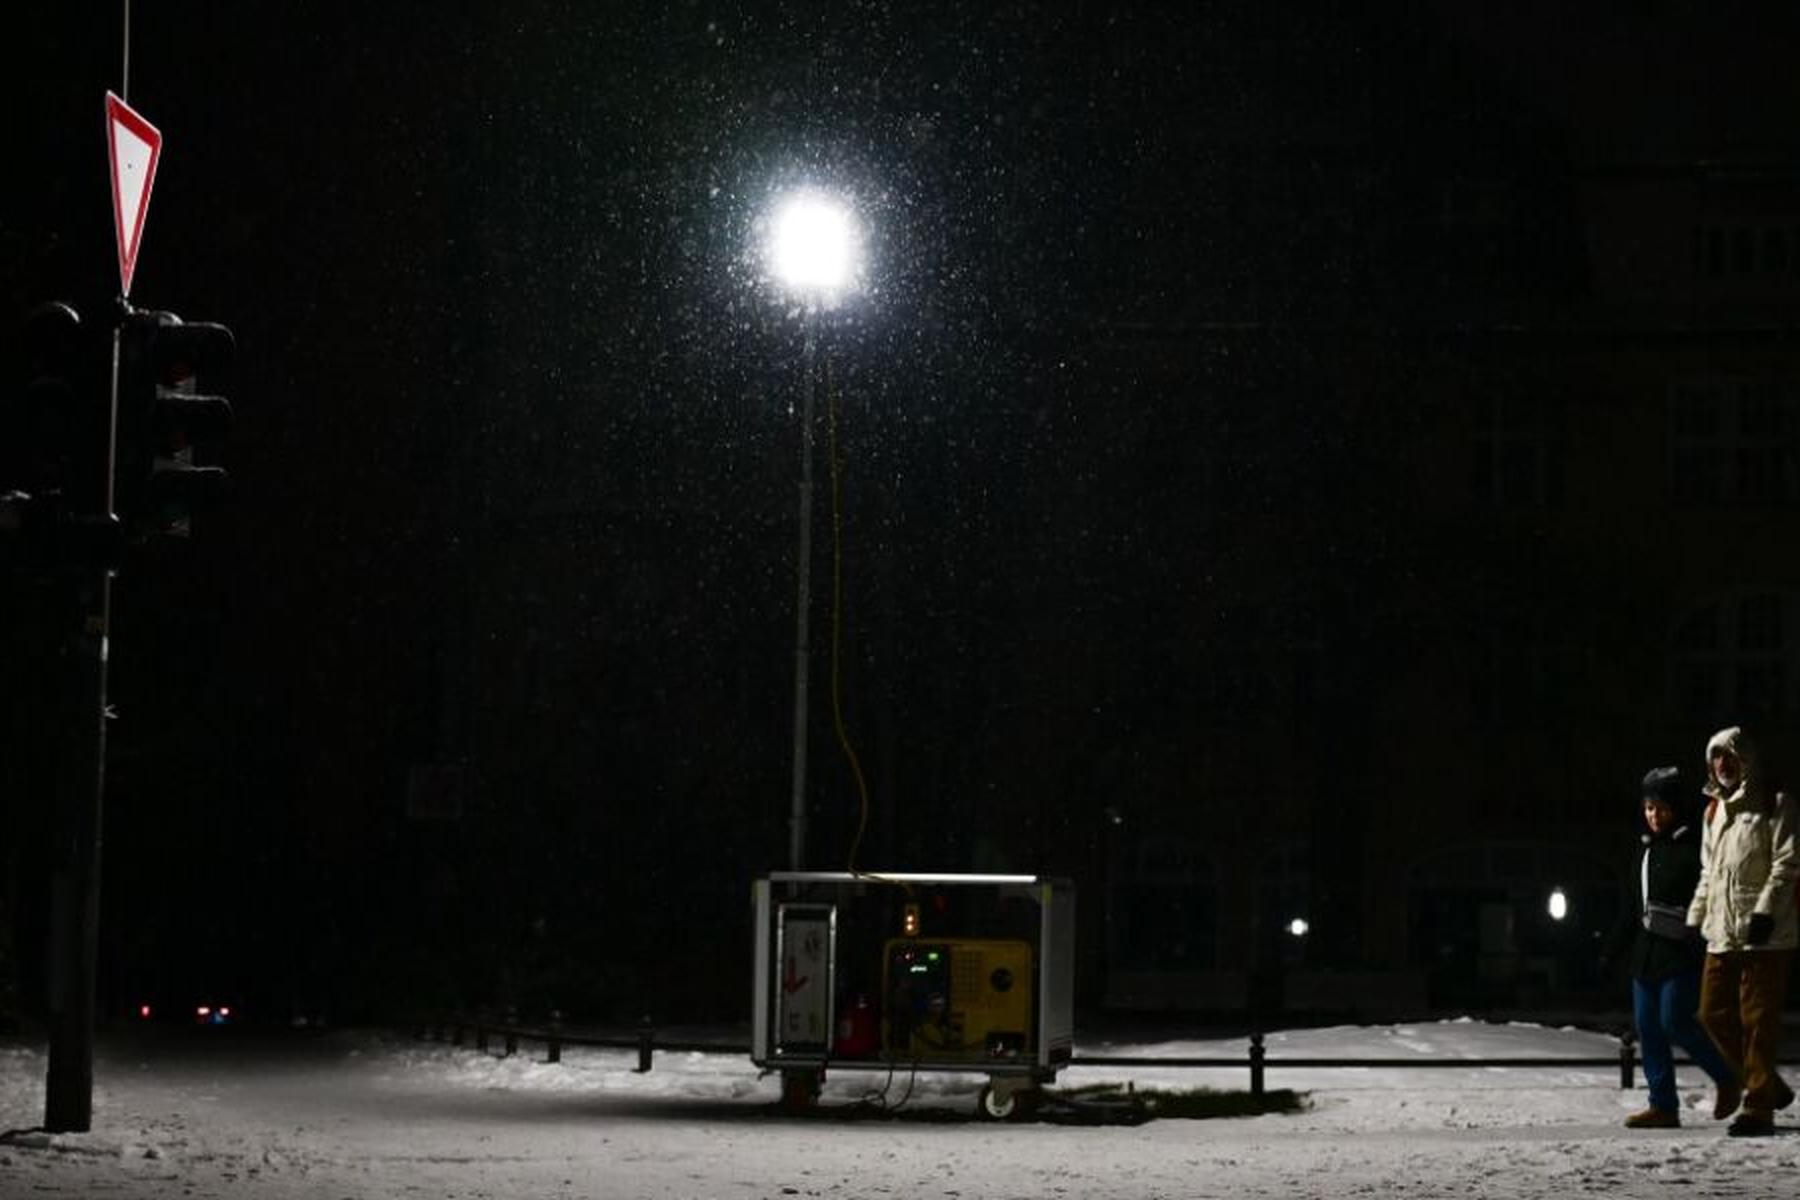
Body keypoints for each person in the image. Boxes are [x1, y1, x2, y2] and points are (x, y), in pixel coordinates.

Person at [1687, 726, 1800, 1137]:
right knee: (1710, 1012)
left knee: (1757, 1020)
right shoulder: (1713, 811)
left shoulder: (1775, 804)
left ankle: (1758, 1108)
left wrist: (1766, 912)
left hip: (1766, 934)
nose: (1722, 764)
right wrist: (1695, 919)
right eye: (1715, 757)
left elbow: (1787, 864)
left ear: (1746, 759)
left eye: (1729, 756)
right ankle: (1766, 1084)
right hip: (1722, 929)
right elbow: (1708, 871)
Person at [1616, 766, 1737, 1128]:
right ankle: (1663, 1104)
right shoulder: (1645, 851)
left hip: (1680, 950)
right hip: (1646, 954)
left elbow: (1708, 894)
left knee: (1675, 1020)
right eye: (1649, 808)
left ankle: (1727, 1076)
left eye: (1661, 808)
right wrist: (1613, 949)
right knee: (1648, 1026)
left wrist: (1692, 926)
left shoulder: (1692, 847)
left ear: (1676, 808)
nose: (1654, 816)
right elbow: (1632, 906)